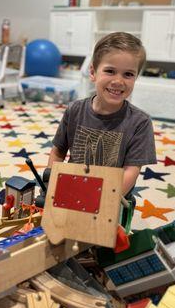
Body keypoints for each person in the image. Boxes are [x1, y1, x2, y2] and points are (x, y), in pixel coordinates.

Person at [48, 32, 157, 197]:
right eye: (110, 71)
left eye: (128, 74)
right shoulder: (74, 110)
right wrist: (52, 184)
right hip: (72, 190)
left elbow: (131, 171)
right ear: (93, 72)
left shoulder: (140, 123)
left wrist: (105, 200)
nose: (118, 81)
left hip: (111, 198)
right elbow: (58, 152)